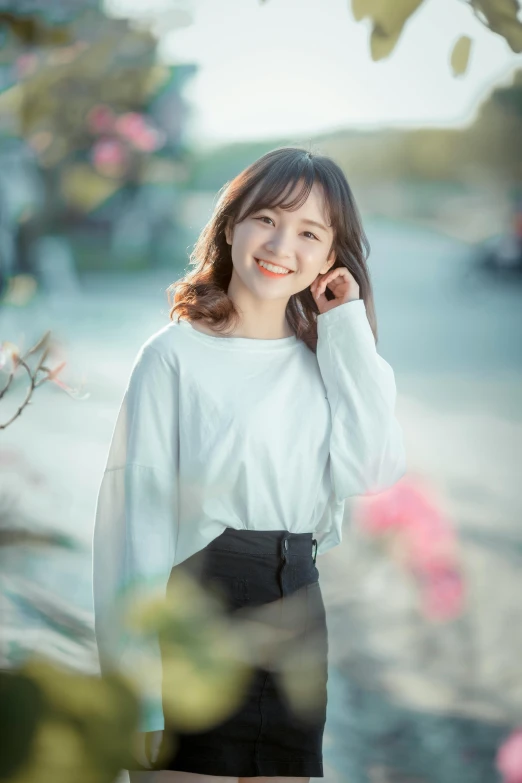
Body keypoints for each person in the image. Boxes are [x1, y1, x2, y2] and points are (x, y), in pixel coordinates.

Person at [92, 146, 407, 782]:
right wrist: (137, 697)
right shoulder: (173, 356)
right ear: (232, 224)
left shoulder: (330, 359)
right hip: (195, 610)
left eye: (310, 232)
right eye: (267, 218)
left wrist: (344, 325)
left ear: (329, 258)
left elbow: (372, 467)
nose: (281, 243)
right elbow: (136, 526)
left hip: (295, 607)